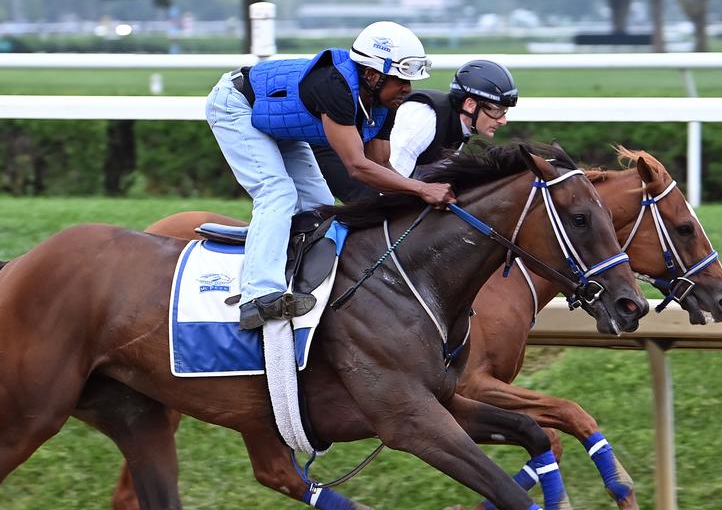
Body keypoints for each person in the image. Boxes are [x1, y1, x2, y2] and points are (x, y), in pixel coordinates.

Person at [205, 21, 456, 331]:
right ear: (373, 75)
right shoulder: (334, 86)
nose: (408, 89)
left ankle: (297, 278)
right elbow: (357, 166)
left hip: (281, 125)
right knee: (277, 193)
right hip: (236, 105)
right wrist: (421, 189)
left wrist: (414, 201)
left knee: (320, 207)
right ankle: (258, 296)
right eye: (401, 80)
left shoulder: (387, 102)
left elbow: (381, 165)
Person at [317, 59, 519, 202]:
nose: (503, 120)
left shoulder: (460, 129)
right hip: (338, 159)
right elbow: (388, 181)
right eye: (496, 110)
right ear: (470, 104)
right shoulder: (425, 118)